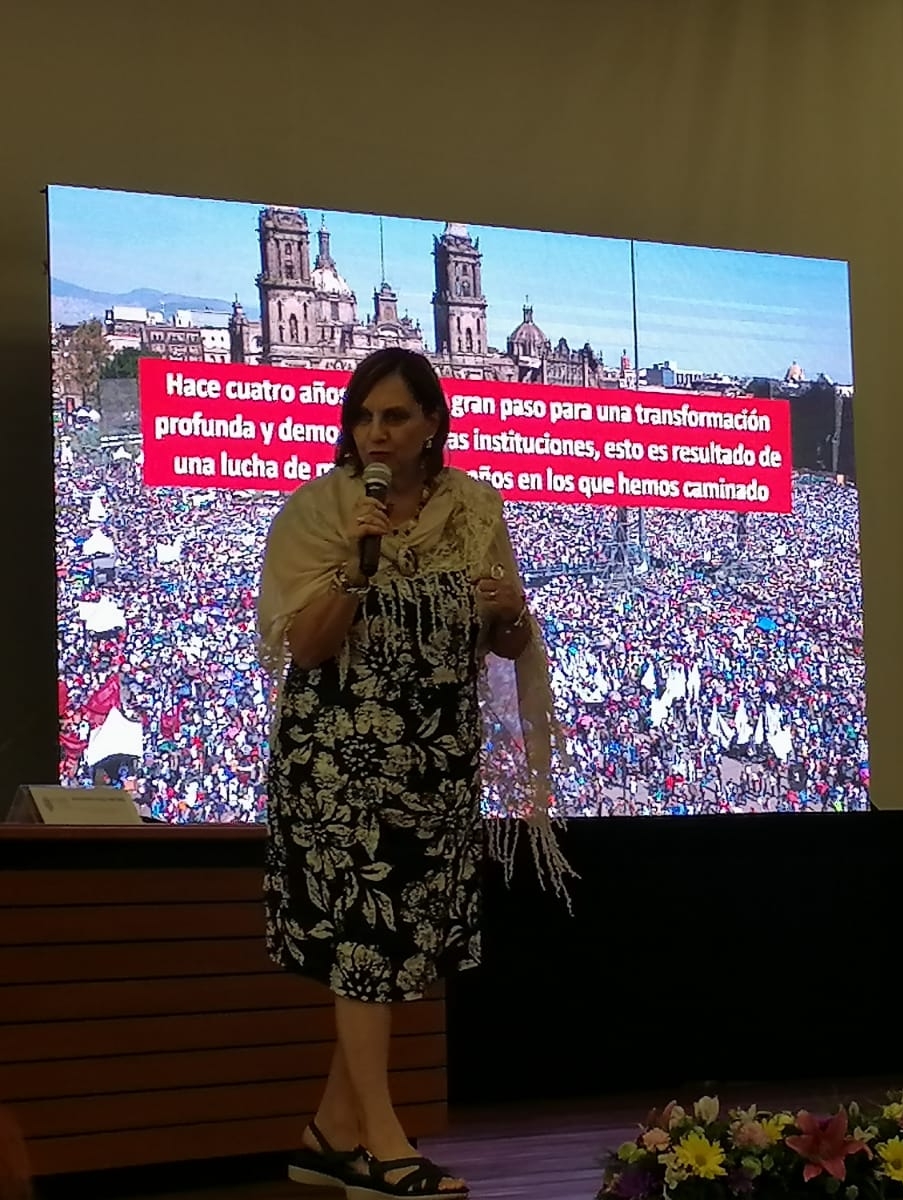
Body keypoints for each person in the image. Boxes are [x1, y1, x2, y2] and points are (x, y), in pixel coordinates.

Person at [257, 348, 573, 1198]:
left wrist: (513, 616)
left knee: (397, 945)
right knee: (365, 937)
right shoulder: (320, 513)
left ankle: (328, 1133)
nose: (376, 433)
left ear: (432, 422)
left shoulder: (474, 510)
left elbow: (501, 640)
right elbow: (308, 647)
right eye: (363, 417)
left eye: (394, 416)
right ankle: (381, 1144)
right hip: (338, 762)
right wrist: (357, 568)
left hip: (434, 761)